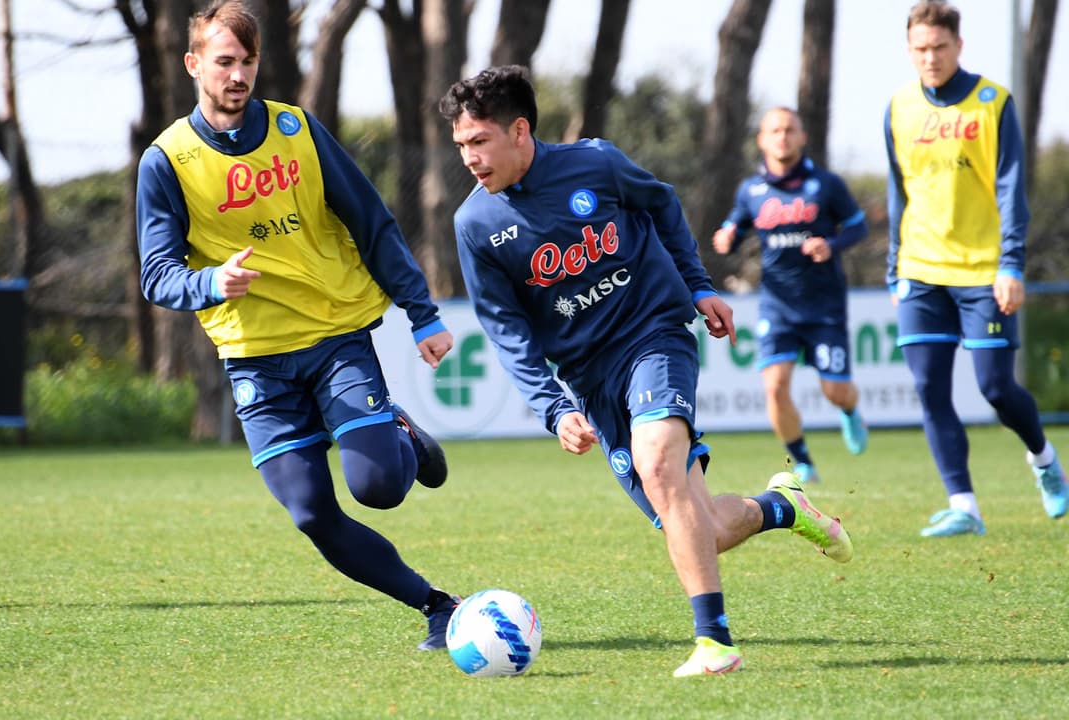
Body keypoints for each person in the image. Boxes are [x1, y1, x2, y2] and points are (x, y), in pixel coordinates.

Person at [439, 65, 853, 677]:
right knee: (702, 528)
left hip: (653, 336)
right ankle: (783, 506)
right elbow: (507, 331)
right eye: (460, 146)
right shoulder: (474, 225)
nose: (469, 158)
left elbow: (661, 203)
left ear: (520, 130)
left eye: (479, 141)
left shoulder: (595, 163)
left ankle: (714, 643)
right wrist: (554, 407)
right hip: (589, 379)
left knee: (657, 461)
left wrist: (698, 284)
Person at [135, 0, 460, 650]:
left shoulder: (297, 130)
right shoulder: (166, 160)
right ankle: (438, 606)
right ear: (193, 63)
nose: (238, 75)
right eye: (224, 61)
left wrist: (422, 313)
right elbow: (156, 273)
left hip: (334, 338)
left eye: (248, 61)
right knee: (311, 513)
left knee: (379, 488)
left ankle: (396, 430)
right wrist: (210, 283)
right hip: (256, 360)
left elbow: (372, 222)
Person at [886, 0, 1066, 536]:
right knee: (929, 387)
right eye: (921, 48)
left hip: (985, 272)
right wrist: (895, 267)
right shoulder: (898, 107)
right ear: (909, 50)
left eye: (939, 47)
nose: (931, 57)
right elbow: (898, 192)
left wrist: (1012, 264)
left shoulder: (993, 102)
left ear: (958, 46)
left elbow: (1011, 188)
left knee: (995, 387)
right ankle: (964, 505)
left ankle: (1044, 459)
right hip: (920, 269)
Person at [712, 107, 870, 484]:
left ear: (802, 137)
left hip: (824, 305)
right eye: (775, 130)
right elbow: (733, 228)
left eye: (789, 130)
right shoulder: (751, 190)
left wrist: (831, 245)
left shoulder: (826, 184)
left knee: (835, 391)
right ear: (762, 139)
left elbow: (858, 227)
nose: (782, 136)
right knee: (774, 386)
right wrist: (726, 237)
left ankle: (849, 411)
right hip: (777, 305)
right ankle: (803, 463)